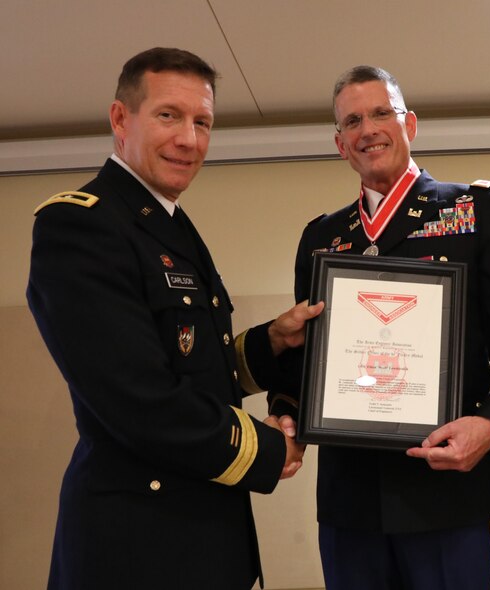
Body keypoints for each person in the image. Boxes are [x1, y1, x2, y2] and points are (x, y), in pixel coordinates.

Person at [27, 47, 321, 590]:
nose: (190, 139)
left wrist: (270, 345)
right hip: (136, 544)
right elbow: (137, 395)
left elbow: (192, 362)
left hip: (204, 534)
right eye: (169, 116)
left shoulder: (169, 224)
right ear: (121, 119)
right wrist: (265, 448)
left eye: (202, 122)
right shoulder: (81, 225)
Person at [273, 65, 490, 589]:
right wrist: (287, 416)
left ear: (411, 124)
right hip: (349, 499)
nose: (368, 129)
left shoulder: (473, 209)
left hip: (449, 490)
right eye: (352, 121)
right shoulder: (321, 236)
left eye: (382, 113)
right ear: (340, 144)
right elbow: (301, 355)